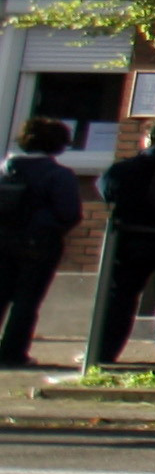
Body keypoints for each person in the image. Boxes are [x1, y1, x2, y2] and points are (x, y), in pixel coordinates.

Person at [82, 117, 155, 368]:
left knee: (120, 298)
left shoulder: (125, 168)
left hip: (131, 238)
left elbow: (107, 191)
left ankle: (104, 352)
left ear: (148, 138)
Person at [0, 117, 90, 366]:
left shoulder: (5, 169)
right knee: (26, 301)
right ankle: (12, 353)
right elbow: (69, 213)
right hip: (38, 244)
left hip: (2, 241)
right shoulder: (58, 175)